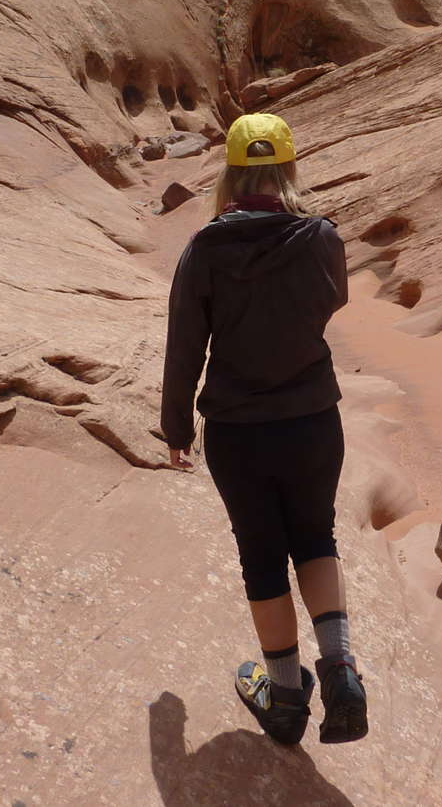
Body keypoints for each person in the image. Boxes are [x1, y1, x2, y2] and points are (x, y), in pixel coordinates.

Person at [160, 112, 369, 747]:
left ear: (230, 172)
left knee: (261, 554)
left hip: (239, 428)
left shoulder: (205, 248)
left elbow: (185, 345)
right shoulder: (321, 237)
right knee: (315, 536)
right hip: (313, 419)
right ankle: (339, 669)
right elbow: (332, 302)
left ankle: (284, 698)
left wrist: (176, 427)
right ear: (288, 168)